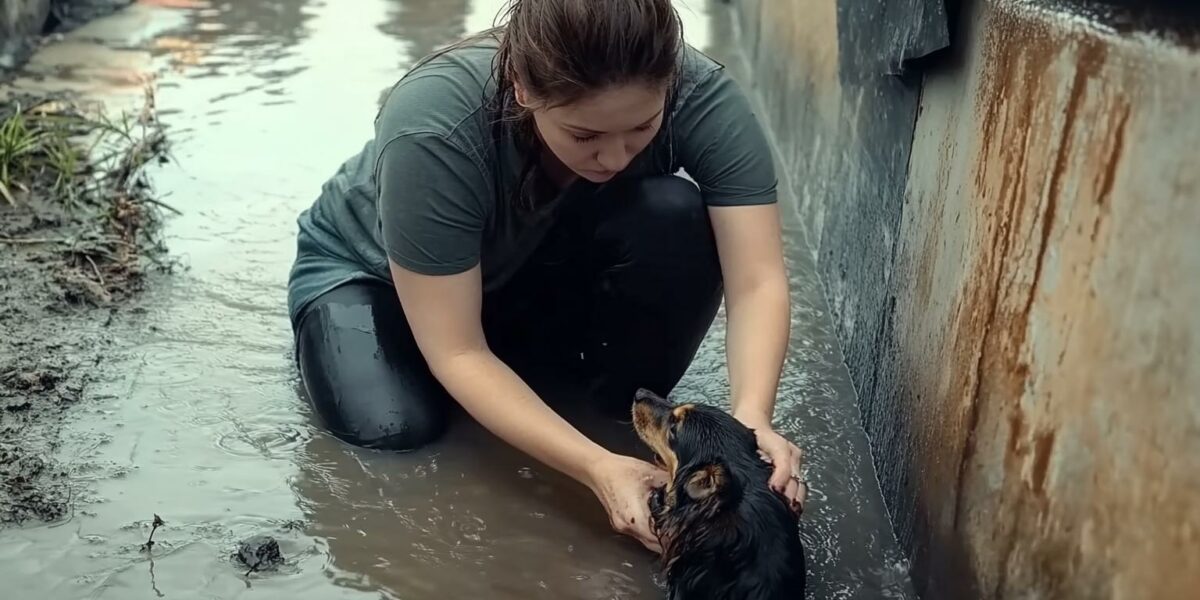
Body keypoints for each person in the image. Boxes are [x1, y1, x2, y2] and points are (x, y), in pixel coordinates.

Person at [286, 0, 806, 553]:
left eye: (642, 129)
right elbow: (458, 350)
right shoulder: (433, 124)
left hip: (535, 264)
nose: (616, 157)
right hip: (378, 281)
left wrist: (751, 429)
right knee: (392, 432)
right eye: (585, 136)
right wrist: (595, 466)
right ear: (522, 88)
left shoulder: (704, 97)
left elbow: (756, 281)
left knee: (675, 212)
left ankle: (580, 398)